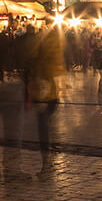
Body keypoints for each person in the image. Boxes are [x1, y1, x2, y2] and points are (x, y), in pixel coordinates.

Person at [25, 26, 65, 176]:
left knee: (42, 125)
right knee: (44, 124)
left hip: (44, 93)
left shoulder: (43, 56)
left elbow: (39, 72)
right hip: (49, 93)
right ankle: (46, 156)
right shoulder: (54, 52)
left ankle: (45, 158)